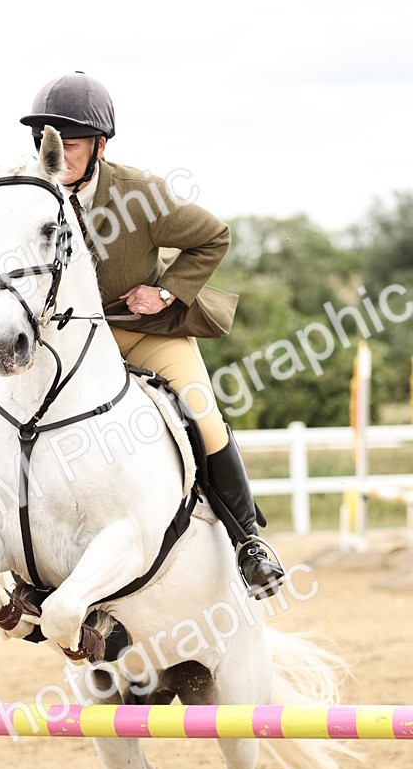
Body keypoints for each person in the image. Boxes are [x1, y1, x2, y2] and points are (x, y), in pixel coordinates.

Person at [18, 71, 284, 598]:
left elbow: (214, 236)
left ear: (100, 145)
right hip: (66, 343)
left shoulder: (140, 193)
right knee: (14, 412)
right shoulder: (29, 191)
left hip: (140, 334)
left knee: (200, 412)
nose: (58, 156)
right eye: (48, 144)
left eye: (70, 145)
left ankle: (248, 542)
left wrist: (164, 293)